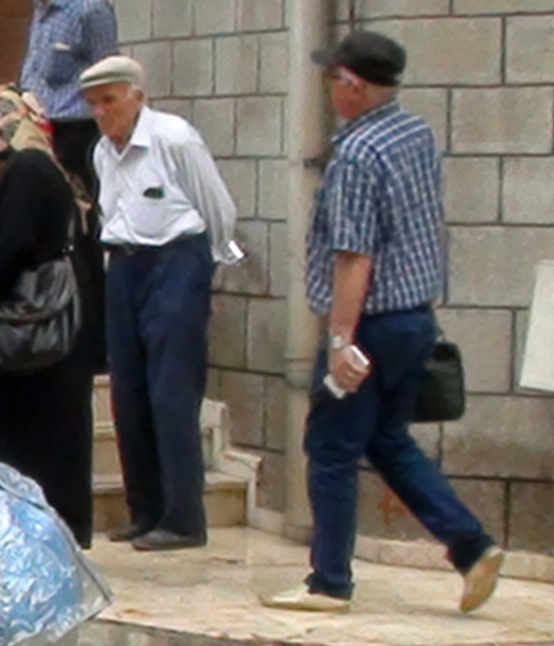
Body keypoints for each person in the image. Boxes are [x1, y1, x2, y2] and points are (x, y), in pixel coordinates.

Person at [265, 32, 504, 614]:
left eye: (334, 79)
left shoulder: (357, 155)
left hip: (368, 326)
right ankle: (471, 545)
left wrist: (341, 338)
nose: (329, 89)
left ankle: (328, 581)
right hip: (413, 317)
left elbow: (354, 255)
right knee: (389, 439)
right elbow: (430, 221)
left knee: (331, 447)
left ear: (354, 86)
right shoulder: (414, 134)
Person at [81, 55, 243, 551]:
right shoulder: (102, 153)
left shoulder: (173, 138)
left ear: (136, 97)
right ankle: (144, 508)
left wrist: (207, 272)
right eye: (94, 105)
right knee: (127, 393)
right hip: (124, 265)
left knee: (172, 393)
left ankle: (183, 516)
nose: (103, 114)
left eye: (110, 100)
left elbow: (217, 206)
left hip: (177, 259)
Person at [0, 86, 98, 547]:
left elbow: (11, 249)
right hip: (45, 333)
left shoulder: (26, 171)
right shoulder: (40, 168)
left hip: (27, 328)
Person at [17, 0, 117, 365]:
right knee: (44, 236)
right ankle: (50, 328)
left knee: (82, 236)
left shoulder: (90, 11)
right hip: (37, 132)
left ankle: (94, 346)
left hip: (77, 132)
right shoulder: (41, 11)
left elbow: (109, 76)